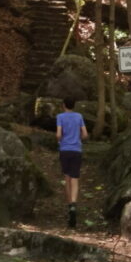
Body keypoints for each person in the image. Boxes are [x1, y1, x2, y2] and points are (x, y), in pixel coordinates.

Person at [55, 97, 88, 229]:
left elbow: (58, 134)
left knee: (67, 178)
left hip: (64, 150)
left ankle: (69, 206)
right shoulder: (79, 116)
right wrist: (78, 139)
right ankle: (74, 204)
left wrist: (60, 140)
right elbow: (85, 134)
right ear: (74, 105)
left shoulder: (60, 117)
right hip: (76, 150)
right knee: (75, 178)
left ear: (63, 105)